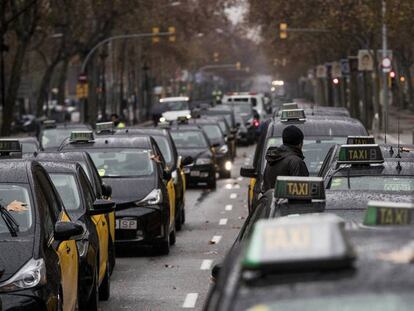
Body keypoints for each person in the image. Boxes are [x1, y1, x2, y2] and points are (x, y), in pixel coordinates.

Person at [262, 125, 309, 191]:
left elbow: (265, 187)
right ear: (300, 143)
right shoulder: (296, 162)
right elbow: (302, 192)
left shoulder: (272, 158)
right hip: (287, 201)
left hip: (271, 200)